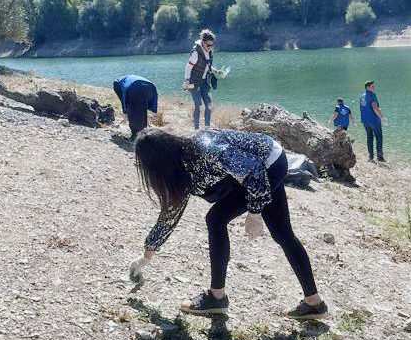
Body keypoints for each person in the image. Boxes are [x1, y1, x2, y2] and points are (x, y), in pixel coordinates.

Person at [128, 127, 328, 320]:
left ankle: (216, 297)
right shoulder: (180, 165)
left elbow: (254, 170)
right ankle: (314, 303)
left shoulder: (206, 147)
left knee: (216, 219)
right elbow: (171, 212)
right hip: (258, 169)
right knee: (281, 234)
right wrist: (147, 254)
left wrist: (255, 213)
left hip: (269, 163)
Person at [183, 29, 217, 129]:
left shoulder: (210, 52)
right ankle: (196, 128)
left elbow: (207, 65)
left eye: (212, 45)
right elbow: (188, 67)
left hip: (205, 82)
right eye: (208, 45)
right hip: (194, 82)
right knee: (198, 105)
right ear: (202, 43)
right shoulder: (195, 53)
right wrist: (186, 80)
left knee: (209, 105)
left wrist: (216, 71)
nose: (210, 47)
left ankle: (207, 128)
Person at [359, 80, 387, 162]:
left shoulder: (362, 96)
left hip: (365, 120)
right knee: (379, 137)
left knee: (369, 137)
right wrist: (382, 117)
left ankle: (370, 157)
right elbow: (375, 107)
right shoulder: (372, 95)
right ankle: (380, 157)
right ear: (367, 87)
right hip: (374, 120)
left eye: (374, 86)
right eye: (372, 86)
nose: (374, 88)